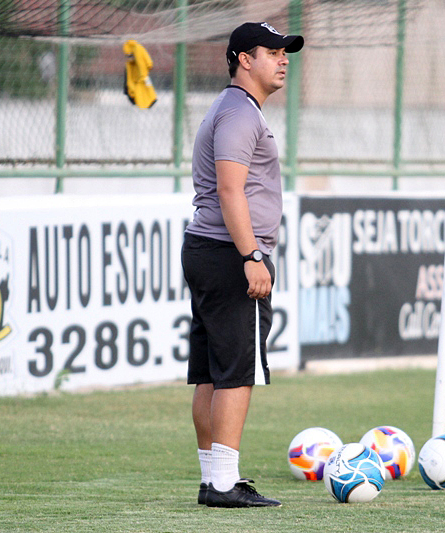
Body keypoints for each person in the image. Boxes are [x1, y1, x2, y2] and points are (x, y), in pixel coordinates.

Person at [180, 22, 304, 508]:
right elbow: (231, 190)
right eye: (271, 51)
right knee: (236, 370)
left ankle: (215, 480)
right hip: (230, 254)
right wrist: (252, 255)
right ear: (242, 59)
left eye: (285, 51)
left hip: (209, 250)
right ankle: (224, 484)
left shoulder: (235, 109)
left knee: (212, 372)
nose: (283, 58)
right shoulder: (238, 113)